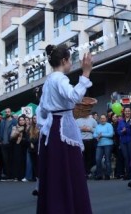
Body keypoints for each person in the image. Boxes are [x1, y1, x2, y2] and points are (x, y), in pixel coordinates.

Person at [35, 45, 93, 214]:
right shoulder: (60, 79)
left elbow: (42, 110)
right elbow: (75, 97)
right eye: (70, 60)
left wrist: (47, 122)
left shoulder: (49, 81)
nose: (71, 64)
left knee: (56, 174)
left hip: (53, 129)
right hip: (61, 129)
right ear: (64, 60)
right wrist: (86, 72)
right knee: (69, 171)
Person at [76, 112, 98, 178]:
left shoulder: (92, 120)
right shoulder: (77, 120)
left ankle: (88, 172)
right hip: (81, 141)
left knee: (90, 157)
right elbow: (74, 130)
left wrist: (90, 129)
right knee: (82, 157)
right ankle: (83, 172)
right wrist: (81, 129)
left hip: (90, 140)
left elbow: (97, 129)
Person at [93, 114, 114, 180]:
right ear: (100, 119)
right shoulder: (97, 126)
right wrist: (98, 136)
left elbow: (111, 134)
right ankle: (99, 175)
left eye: (104, 118)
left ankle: (108, 174)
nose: (102, 120)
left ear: (106, 119)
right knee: (98, 159)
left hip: (108, 144)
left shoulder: (109, 125)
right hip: (99, 144)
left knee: (107, 159)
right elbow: (94, 135)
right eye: (101, 118)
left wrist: (101, 135)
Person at [0, 108, 17, 181]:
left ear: (11, 112)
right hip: (3, 143)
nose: (7, 113)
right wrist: (0, 140)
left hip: (11, 143)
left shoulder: (14, 121)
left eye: (8, 112)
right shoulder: (2, 121)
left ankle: (12, 175)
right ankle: (7, 175)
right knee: (5, 160)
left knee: (11, 159)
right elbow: (0, 131)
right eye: (6, 112)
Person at [117, 107, 131, 180]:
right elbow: (118, 131)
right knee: (126, 158)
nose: (127, 112)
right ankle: (128, 174)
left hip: (130, 140)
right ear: (124, 112)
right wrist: (121, 132)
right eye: (126, 111)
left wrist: (126, 130)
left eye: (128, 111)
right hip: (123, 141)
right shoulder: (121, 121)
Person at [10, 115, 29, 182]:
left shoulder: (28, 128)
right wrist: (18, 131)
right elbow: (11, 137)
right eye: (20, 120)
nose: (21, 121)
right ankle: (17, 176)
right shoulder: (15, 127)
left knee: (25, 160)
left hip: (26, 146)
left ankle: (24, 175)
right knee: (17, 160)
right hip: (17, 145)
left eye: (23, 120)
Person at [26, 115, 39, 182]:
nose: (35, 119)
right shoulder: (30, 127)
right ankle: (34, 176)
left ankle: (38, 176)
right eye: (34, 118)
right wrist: (30, 142)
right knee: (33, 163)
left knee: (38, 163)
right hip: (31, 148)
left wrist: (32, 142)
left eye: (36, 118)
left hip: (38, 147)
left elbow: (39, 137)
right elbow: (27, 136)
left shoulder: (40, 126)